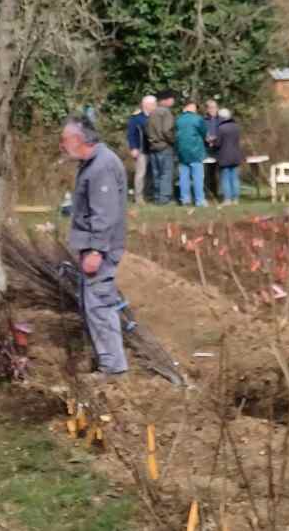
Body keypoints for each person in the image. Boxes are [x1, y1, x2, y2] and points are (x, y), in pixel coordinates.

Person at [63, 119, 130, 377]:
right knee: (95, 303)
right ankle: (107, 361)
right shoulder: (93, 163)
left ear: (80, 140)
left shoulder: (101, 166)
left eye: (65, 140)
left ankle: (113, 368)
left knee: (100, 305)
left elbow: (105, 214)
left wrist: (96, 252)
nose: (63, 145)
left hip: (100, 249)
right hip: (94, 246)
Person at [144, 92, 178, 205]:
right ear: (166, 100)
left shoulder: (151, 113)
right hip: (164, 146)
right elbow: (167, 130)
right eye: (172, 99)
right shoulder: (166, 112)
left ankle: (157, 197)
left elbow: (147, 130)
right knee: (166, 174)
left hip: (153, 147)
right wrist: (173, 141)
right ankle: (165, 199)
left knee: (156, 174)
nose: (173, 101)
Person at [174, 103, 208, 207]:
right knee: (197, 177)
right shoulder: (198, 119)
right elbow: (204, 133)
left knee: (184, 177)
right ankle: (200, 200)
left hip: (182, 152)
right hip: (196, 151)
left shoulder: (178, 120)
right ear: (193, 109)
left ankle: (185, 199)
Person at [213, 109, 245, 206]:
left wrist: (212, 143)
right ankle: (236, 199)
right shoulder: (236, 127)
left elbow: (218, 143)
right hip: (236, 155)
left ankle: (227, 199)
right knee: (235, 178)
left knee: (226, 178)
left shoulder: (221, 128)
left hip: (224, 156)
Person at [125, 96, 153, 204]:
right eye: (152, 104)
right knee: (140, 174)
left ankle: (148, 194)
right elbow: (131, 134)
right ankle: (138, 197)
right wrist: (133, 148)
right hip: (141, 150)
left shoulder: (155, 116)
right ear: (146, 105)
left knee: (150, 175)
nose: (154, 106)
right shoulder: (136, 118)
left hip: (153, 150)